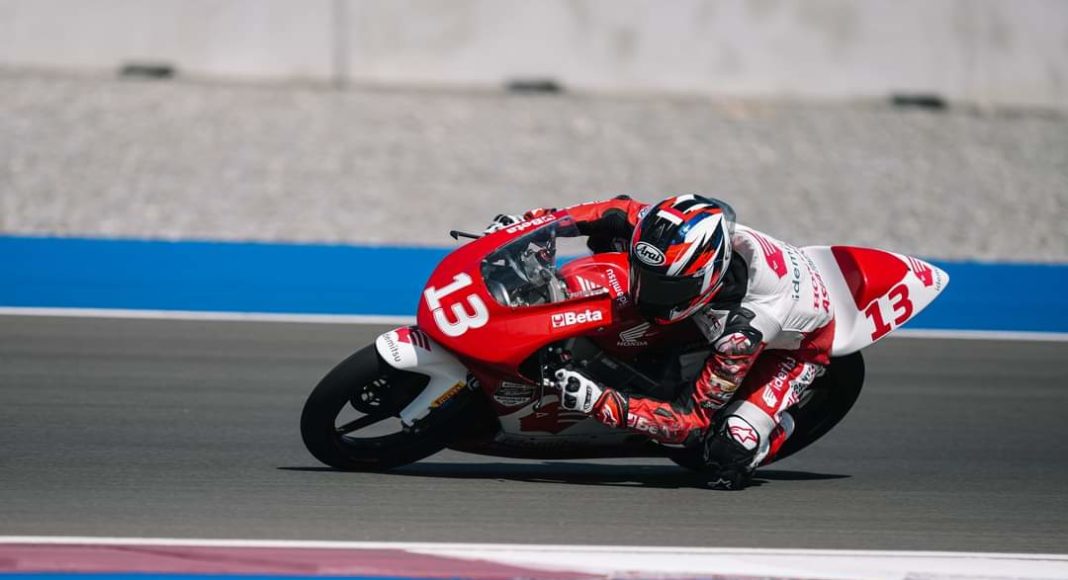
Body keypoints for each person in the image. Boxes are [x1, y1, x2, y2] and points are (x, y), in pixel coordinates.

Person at [488, 195, 834, 489]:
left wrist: (601, 401)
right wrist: (525, 226)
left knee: (727, 452)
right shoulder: (661, 231)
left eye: (665, 288)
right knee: (609, 235)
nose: (645, 293)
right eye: (644, 277)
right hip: (722, 299)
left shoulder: (742, 334)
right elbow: (607, 211)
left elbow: (690, 421)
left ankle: (775, 428)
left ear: (707, 278)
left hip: (798, 347)